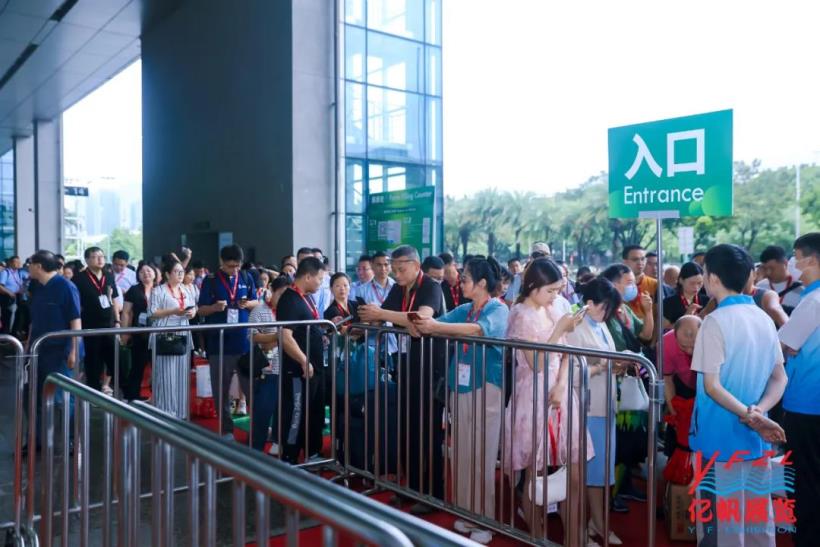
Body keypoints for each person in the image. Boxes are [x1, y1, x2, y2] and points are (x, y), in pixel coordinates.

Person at [689, 244, 787, 547]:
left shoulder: (714, 321)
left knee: (722, 529)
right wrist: (758, 413)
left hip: (719, 440)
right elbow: (780, 378)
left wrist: (751, 415)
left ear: (713, 278)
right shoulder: (762, 318)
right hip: (756, 439)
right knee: (758, 524)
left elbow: (712, 386)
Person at [413, 257, 507, 544]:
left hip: (486, 387)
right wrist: (413, 321)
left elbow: (478, 330)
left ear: (481, 283)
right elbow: (433, 323)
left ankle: (485, 520)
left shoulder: (498, 309)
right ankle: (467, 512)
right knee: (463, 452)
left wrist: (435, 327)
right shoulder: (466, 310)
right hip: (461, 386)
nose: (460, 281)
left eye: (465, 277)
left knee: (482, 455)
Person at [358, 245, 446, 510]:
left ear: (416, 266)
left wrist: (381, 314)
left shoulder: (430, 287)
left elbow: (421, 318)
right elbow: (383, 316)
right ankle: (412, 487)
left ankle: (432, 494)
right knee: (407, 429)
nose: (395, 274)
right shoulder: (400, 289)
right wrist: (363, 319)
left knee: (427, 432)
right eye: (393, 269)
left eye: (400, 269)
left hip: (430, 368)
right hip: (406, 365)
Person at [503, 257, 586, 535]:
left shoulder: (553, 308)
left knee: (573, 469)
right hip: (533, 396)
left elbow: (566, 354)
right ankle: (537, 534)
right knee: (534, 473)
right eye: (550, 290)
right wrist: (559, 330)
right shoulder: (520, 314)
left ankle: (574, 536)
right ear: (532, 286)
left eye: (557, 290)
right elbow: (536, 363)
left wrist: (561, 385)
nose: (555, 296)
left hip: (559, 393)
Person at [565, 277, 624, 546]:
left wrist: (614, 365)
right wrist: (601, 367)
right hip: (587, 408)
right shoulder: (575, 327)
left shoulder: (600, 325)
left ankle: (594, 523)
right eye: (605, 307)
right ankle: (597, 524)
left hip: (604, 404)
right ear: (589, 302)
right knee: (593, 474)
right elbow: (570, 373)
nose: (607, 313)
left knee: (602, 473)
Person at [600, 263, 653, 512]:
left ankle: (624, 485)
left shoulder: (626, 309)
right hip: (616, 383)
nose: (633, 287)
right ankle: (611, 493)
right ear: (613, 284)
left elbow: (646, 335)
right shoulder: (604, 312)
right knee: (619, 441)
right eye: (628, 282)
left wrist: (648, 311)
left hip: (632, 381)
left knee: (631, 439)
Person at [778, 232, 820, 547]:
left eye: (796, 255)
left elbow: (786, 344)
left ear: (812, 259)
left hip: (805, 402)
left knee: (804, 480)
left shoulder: (812, 301)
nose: (793, 262)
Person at [197, 244, 259, 438]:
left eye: (237, 265)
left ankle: (258, 427)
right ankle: (226, 429)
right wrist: (214, 308)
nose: (234, 269)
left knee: (252, 389)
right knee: (221, 391)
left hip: (244, 342)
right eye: (230, 266)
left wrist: (247, 304)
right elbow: (201, 310)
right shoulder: (211, 280)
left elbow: (257, 302)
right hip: (219, 344)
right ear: (221, 262)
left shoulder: (247, 277)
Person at [25, 250, 81, 450]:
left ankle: (71, 440)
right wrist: (28, 344)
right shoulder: (38, 287)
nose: (28, 268)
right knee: (36, 396)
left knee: (64, 398)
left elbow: (75, 320)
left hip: (60, 351)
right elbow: (35, 320)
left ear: (39, 266)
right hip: (39, 350)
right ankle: (37, 441)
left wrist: (74, 350)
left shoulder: (66, 286)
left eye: (30, 264)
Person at [276, 257, 327, 463]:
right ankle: (289, 456)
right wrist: (303, 360)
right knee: (296, 413)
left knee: (314, 412)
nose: (321, 283)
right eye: (319, 279)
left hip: (314, 368)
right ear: (307, 277)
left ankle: (312, 451)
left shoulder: (306, 297)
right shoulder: (289, 300)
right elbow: (285, 336)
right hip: (298, 370)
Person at [149, 259, 197, 418]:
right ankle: (165, 412)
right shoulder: (158, 291)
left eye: (182, 272)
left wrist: (192, 312)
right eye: (176, 271)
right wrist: (173, 311)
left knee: (181, 376)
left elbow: (194, 307)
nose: (180, 274)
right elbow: (152, 313)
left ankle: (180, 412)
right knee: (165, 376)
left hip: (183, 333)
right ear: (167, 274)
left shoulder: (186, 289)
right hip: (165, 335)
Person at [248, 274, 291, 453]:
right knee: (262, 412)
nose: (283, 299)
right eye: (280, 294)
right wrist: (278, 337)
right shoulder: (259, 310)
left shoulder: (289, 311)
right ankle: (255, 450)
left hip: (287, 368)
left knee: (284, 411)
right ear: (271, 290)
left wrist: (278, 339)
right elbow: (253, 336)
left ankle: (278, 443)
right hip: (267, 369)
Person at [73, 247, 121, 394]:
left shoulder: (109, 275)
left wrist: (117, 321)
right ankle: (93, 393)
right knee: (93, 362)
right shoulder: (79, 278)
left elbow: (114, 299)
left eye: (102, 256)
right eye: (95, 257)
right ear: (87, 260)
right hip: (90, 325)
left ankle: (114, 390)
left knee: (113, 360)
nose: (100, 259)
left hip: (109, 325)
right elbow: (76, 304)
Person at [661, 316, 701, 486]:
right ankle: (674, 479)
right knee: (677, 431)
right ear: (675, 336)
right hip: (682, 384)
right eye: (684, 346)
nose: (690, 351)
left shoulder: (713, 339)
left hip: (708, 383)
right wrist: (675, 414)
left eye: (694, 346)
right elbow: (667, 380)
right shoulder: (666, 343)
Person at [120, 262, 158, 401]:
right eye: (142, 272)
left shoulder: (161, 289)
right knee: (138, 365)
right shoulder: (134, 290)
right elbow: (126, 312)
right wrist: (125, 332)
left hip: (158, 333)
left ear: (155, 273)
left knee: (158, 366)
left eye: (149, 271)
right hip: (139, 333)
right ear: (138, 275)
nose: (146, 274)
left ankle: (158, 395)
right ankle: (132, 396)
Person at [757, 245, 804, 315]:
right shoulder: (760, 287)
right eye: (765, 268)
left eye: (772, 268)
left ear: (785, 263)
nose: (768, 272)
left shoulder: (801, 289)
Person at [662, 262, 709, 329]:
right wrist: (686, 316)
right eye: (692, 283)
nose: (696, 287)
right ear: (681, 280)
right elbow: (664, 329)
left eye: (699, 283)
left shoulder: (706, 301)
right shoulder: (668, 302)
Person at [622, 245, 658, 321]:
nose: (640, 263)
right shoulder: (616, 285)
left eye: (643, 259)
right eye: (635, 259)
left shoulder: (655, 284)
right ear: (625, 262)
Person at [0, 255, 29, 335]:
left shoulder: (19, 273)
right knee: (9, 319)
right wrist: (9, 292)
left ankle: (13, 335)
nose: (19, 263)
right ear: (11, 263)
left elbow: (28, 277)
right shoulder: (5, 273)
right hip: (8, 298)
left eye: (19, 262)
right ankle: (5, 337)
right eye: (17, 262)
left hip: (17, 298)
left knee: (17, 317)